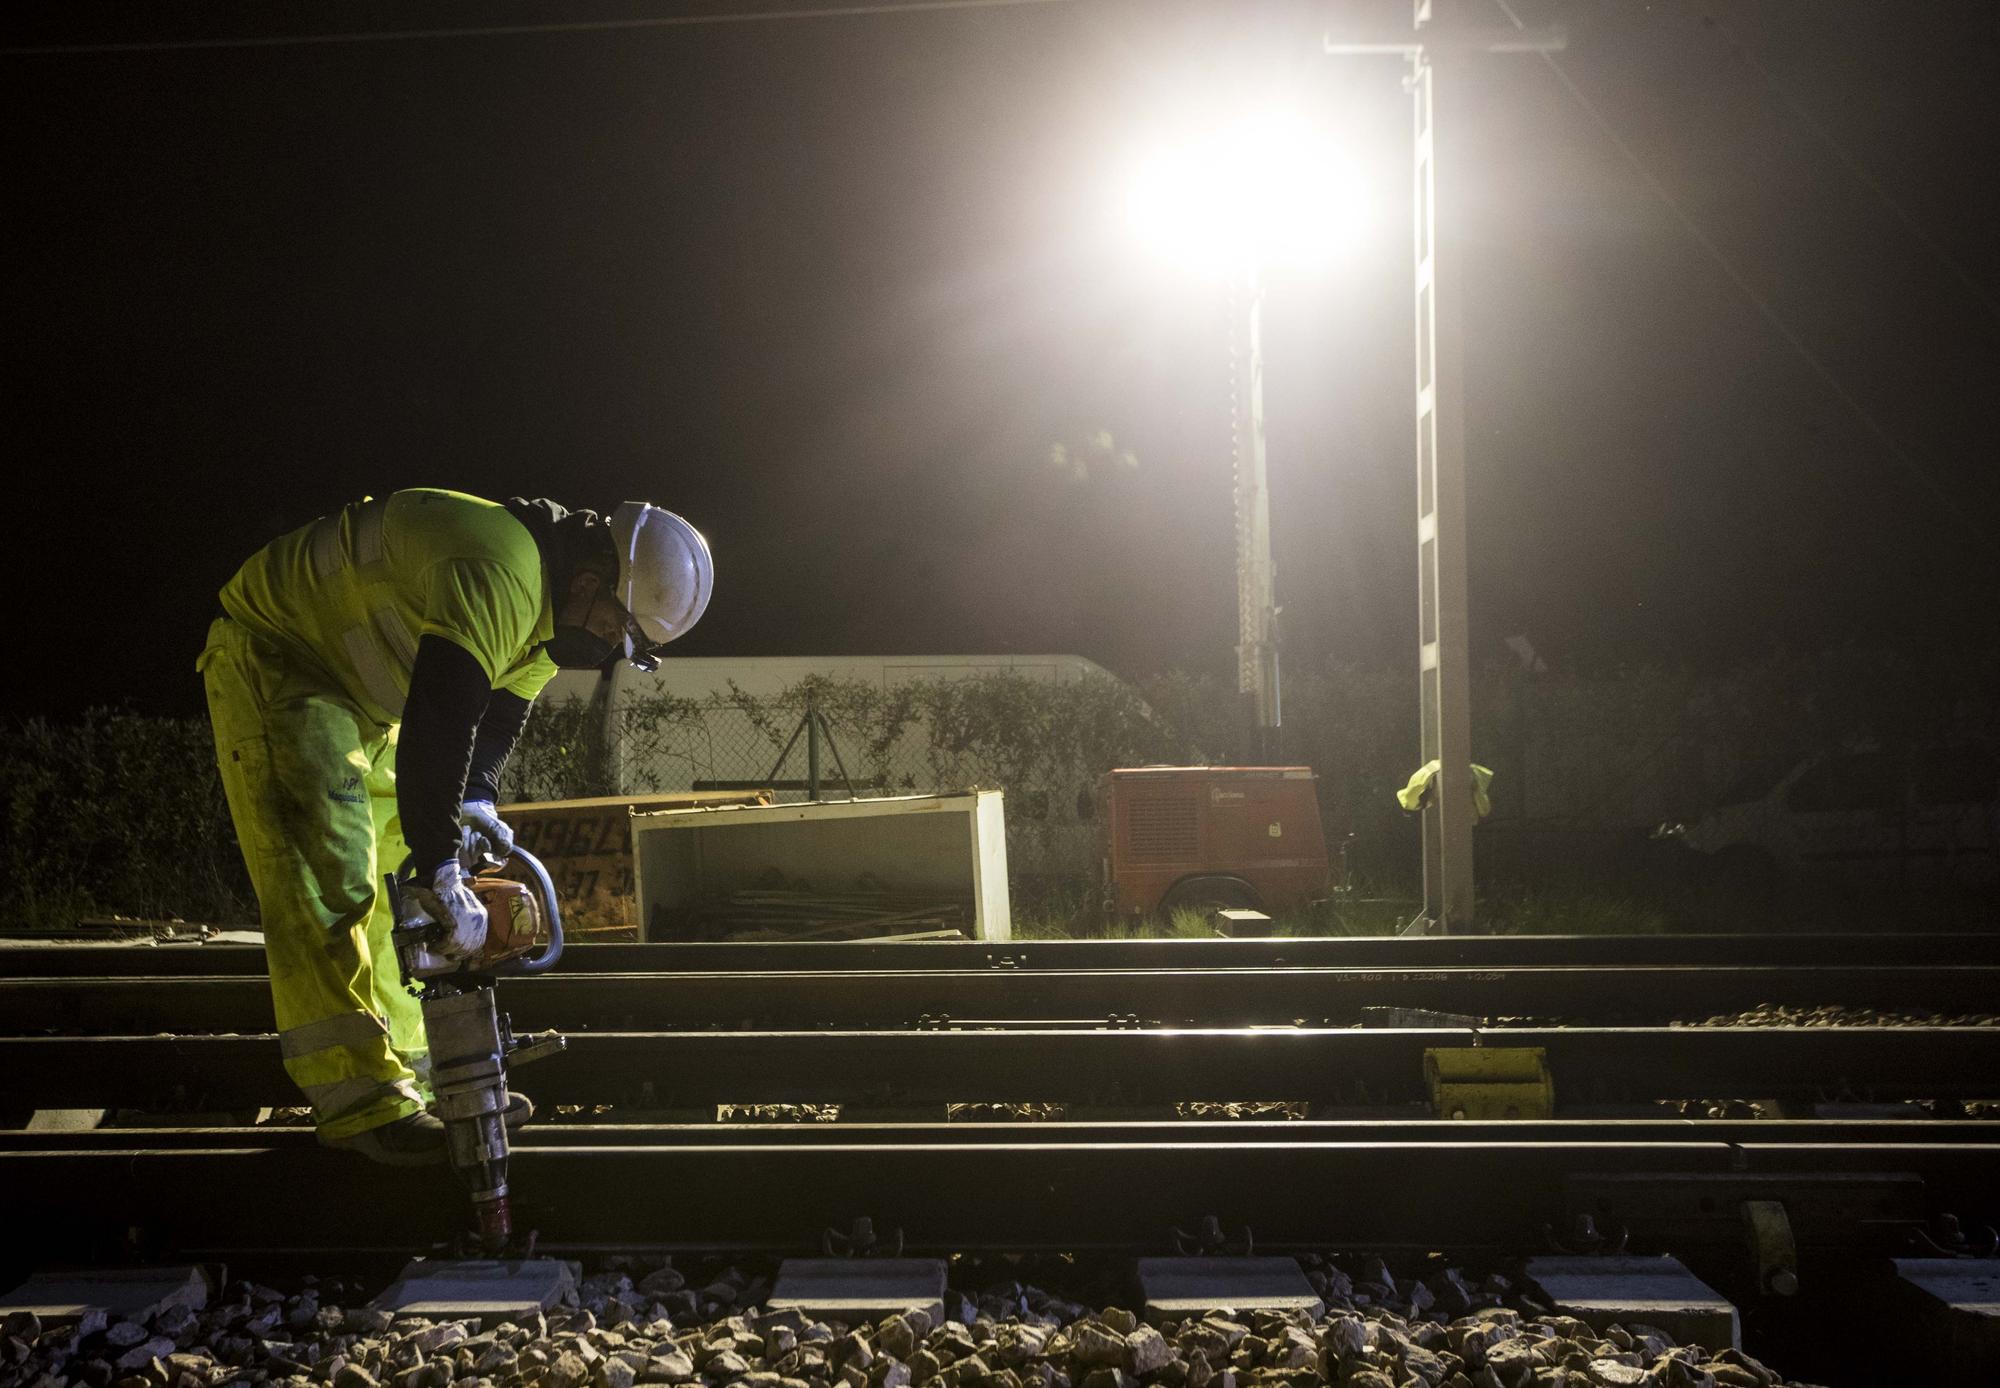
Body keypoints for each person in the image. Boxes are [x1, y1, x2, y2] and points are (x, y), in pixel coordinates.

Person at [198, 490, 712, 1164]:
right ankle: (360, 1105)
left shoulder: (547, 615)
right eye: (621, 632)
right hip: (282, 659)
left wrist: (475, 803)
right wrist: (442, 862)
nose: (612, 651)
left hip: (356, 695)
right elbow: (442, 717)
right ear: (591, 582)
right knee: (330, 880)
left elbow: (493, 725)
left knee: (394, 892)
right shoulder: (500, 568)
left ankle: (413, 1073)